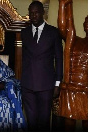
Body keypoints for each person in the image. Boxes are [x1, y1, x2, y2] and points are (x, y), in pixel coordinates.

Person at [20, 1, 63, 131]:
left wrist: (57, 84)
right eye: (31, 13)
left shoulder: (54, 32)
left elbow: (59, 59)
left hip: (46, 85)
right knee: (31, 122)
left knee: (44, 122)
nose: (33, 16)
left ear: (43, 13)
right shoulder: (24, 32)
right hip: (28, 86)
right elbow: (22, 59)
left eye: (36, 12)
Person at [57, 0, 88, 131]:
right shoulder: (75, 41)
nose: (87, 23)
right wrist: (63, 5)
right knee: (68, 124)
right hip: (71, 89)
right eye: (86, 20)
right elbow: (65, 28)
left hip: (86, 91)